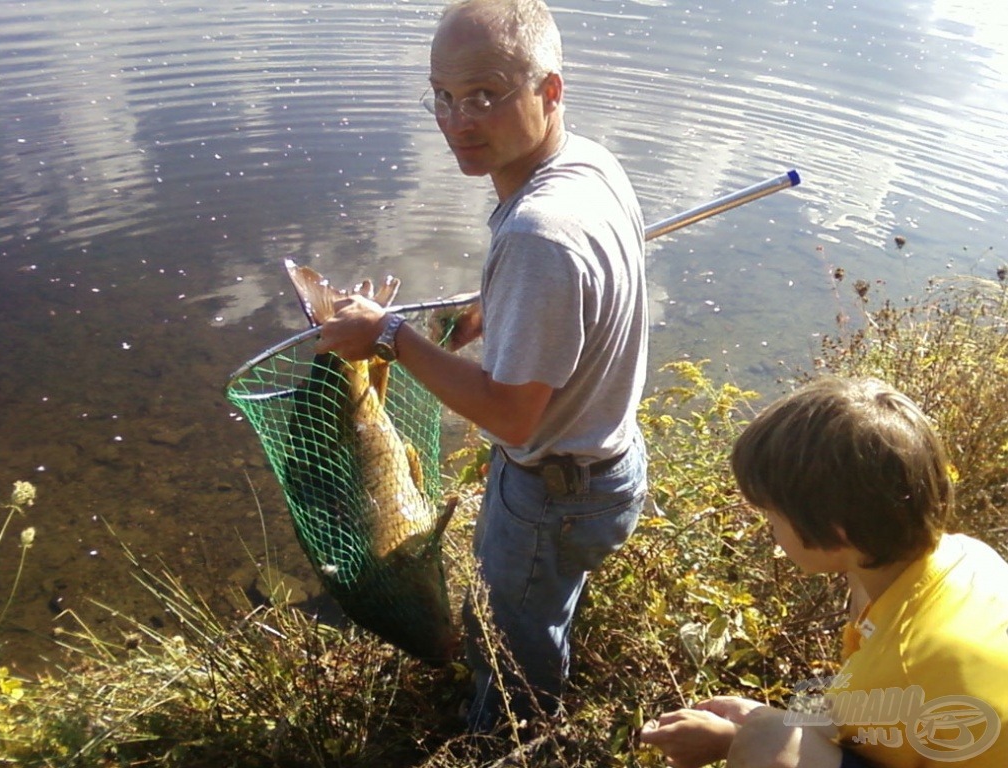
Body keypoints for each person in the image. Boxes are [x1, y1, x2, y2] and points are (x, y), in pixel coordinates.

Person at [315, 0, 649, 733]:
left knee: (509, 662)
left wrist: (391, 336)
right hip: (610, 463)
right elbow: (581, 297)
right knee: (543, 606)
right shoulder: (588, 162)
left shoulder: (538, 233)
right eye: (442, 95)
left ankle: (508, 742)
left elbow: (509, 414)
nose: (457, 120)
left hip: (553, 493)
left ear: (549, 91)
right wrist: (497, 309)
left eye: (485, 94)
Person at [639, 376, 1008, 768]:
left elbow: (848, 729)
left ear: (835, 534)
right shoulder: (964, 556)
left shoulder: (904, 661)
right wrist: (757, 715)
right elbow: (860, 717)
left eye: (771, 517)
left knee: (766, 744)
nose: (770, 531)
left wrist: (736, 741)